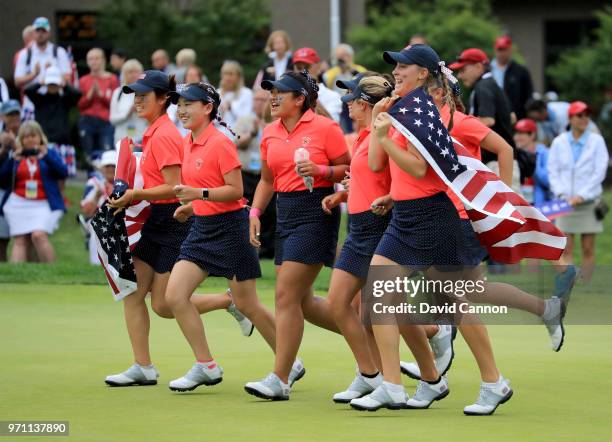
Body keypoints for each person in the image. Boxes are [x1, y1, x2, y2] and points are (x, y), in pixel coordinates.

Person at [104, 71, 252, 387]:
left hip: (175, 221)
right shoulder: (153, 132)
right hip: (159, 220)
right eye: (135, 94)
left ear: (163, 99)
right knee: (134, 293)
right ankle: (142, 366)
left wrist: (136, 195)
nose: (138, 100)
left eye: (145, 94)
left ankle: (229, 304)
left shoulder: (166, 135)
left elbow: (174, 188)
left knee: (164, 303)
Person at [349, 44, 468, 412]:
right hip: (405, 214)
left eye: (404, 66)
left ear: (423, 74)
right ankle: (417, 381)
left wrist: (384, 135)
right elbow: (374, 163)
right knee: (383, 296)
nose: (396, 72)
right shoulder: (402, 108)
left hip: (429, 215)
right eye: (395, 66)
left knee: (389, 295)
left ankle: (405, 380)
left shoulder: (421, 112)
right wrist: (379, 124)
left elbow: (418, 169)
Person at [162, 82, 279, 392]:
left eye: (189, 104)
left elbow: (236, 191)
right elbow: (206, 188)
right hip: (202, 228)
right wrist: (191, 206)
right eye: (180, 104)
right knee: (174, 296)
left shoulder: (219, 142)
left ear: (207, 108)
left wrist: (197, 194)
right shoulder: (188, 141)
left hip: (231, 229)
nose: (182, 110)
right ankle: (206, 366)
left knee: (248, 304)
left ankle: (287, 362)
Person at [244, 71, 350, 400]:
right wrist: (255, 212)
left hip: (317, 211)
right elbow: (266, 180)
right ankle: (367, 336)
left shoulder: (325, 128)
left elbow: (348, 170)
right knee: (302, 302)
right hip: (286, 214)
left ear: (300, 99)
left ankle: (280, 378)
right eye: (270, 92)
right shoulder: (270, 132)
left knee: (285, 296)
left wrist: (320, 171)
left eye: (280, 92)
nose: (272, 98)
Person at [320, 75, 396, 403]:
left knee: (373, 310)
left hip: (379, 225)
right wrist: (342, 196)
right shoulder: (363, 136)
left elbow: (399, 179)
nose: (347, 103)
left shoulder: (384, 132)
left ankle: (390, 376)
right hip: (357, 227)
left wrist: (388, 198)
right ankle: (370, 374)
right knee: (341, 304)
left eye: (351, 98)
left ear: (364, 103)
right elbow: (366, 179)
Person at [548, 101, 609, 283]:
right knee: (566, 248)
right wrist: (561, 194)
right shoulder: (559, 141)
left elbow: (599, 171)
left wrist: (582, 195)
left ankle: (586, 283)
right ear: (570, 118)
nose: (584, 119)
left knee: (588, 248)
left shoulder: (597, 141)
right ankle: (571, 284)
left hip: (589, 202)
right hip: (565, 202)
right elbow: (553, 170)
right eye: (579, 115)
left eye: (586, 115)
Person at [450, 48, 522, 192]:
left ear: (478, 66)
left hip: (498, 162)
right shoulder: (490, 84)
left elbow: (488, 120)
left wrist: (460, 126)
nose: (460, 75)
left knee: (508, 211)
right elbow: (512, 117)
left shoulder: (483, 86)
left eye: (463, 69)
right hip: (499, 161)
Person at [0, 121, 67, 262]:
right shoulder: (16, 156)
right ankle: (17, 278)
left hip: (44, 203)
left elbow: (63, 172)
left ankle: (53, 273)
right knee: (20, 239)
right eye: (26, 136)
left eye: (33, 135)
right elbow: (2, 179)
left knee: (38, 235)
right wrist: (12, 160)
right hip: (19, 202)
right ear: (21, 140)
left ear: (40, 137)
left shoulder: (50, 152)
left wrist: (46, 156)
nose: (30, 139)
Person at [234, 89, 276, 258]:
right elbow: (236, 142)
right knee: (245, 211)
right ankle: (246, 247)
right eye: (256, 100)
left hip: (267, 173)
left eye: (263, 100)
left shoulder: (275, 121)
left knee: (270, 212)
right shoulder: (245, 120)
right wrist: (252, 132)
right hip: (246, 173)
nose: (259, 103)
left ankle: (267, 250)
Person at [14, 17, 72, 121]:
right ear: (33, 33)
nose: (40, 34)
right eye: (37, 31)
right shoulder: (25, 54)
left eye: (43, 31)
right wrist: (33, 75)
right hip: (31, 105)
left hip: (54, 104)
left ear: (49, 33)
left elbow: (67, 79)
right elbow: (17, 82)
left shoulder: (59, 52)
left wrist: (53, 72)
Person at [77, 48, 120, 161]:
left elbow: (115, 103)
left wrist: (101, 95)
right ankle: (92, 178)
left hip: (105, 121)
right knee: (89, 155)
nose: (94, 62)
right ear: (87, 62)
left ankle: (108, 178)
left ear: (103, 60)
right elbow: (79, 105)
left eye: (96, 58)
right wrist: (89, 96)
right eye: (90, 59)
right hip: (87, 121)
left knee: (107, 154)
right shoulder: (83, 80)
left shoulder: (112, 79)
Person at [80, 150, 117, 264]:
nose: (110, 168)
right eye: (107, 166)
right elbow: (87, 212)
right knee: (98, 228)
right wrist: (97, 195)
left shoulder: (125, 183)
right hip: (99, 220)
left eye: (113, 165)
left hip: (121, 221)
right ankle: (96, 265)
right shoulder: (94, 183)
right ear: (101, 168)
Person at [324, 43, 368, 133]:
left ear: (351, 56)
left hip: (355, 105)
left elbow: (365, 84)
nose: (341, 60)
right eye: (338, 57)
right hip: (337, 106)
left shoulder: (360, 70)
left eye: (344, 56)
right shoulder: (330, 73)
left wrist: (349, 68)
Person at [0, 100, 24, 261]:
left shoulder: (26, 134)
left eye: (16, 114)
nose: (14, 119)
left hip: (22, 191)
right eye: (10, 115)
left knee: (22, 237)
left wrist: (15, 146)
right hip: (2, 189)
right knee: (1, 238)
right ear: (2, 117)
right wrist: (4, 149)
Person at [292, 47, 342, 122]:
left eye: (307, 67)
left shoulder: (333, 96)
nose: (303, 71)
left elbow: (332, 124)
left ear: (318, 67)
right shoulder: (288, 94)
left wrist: (311, 94)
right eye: (299, 68)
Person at [490, 36, 534, 120]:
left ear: (510, 50)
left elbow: (528, 95)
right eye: (499, 49)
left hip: (516, 116)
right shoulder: (487, 69)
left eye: (504, 49)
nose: (501, 53)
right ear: (495, 50)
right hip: (492, 115)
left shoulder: (521, 71)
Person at [514, 118, 551, 206]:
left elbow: (549, 181)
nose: (517, 137)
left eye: (521, 134)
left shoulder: (544, 153)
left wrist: (532, 162)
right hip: (520, 203)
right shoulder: (513, 153)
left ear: (532, 135)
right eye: (516, 133)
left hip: (541, 205)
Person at [110, 59, 148, 144]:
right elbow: (112, 119)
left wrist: (141, 110)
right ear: (124, 74)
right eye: (130, 72)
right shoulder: (118, 92)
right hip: (121, 139)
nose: (134, 75)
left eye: (136, 72)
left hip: (141, 139)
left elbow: (152, 118)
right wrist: (127, 113)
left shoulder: (147, 92)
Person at [217, 60, 254, 128]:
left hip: (239, 133)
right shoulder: (217, 93)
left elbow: (247, 118)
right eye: (225, 74)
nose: (228, 78)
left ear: (238, 76)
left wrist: (231, 108)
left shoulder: (246, 93)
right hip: (219, 134)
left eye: (231, 74)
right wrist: (220, 111)